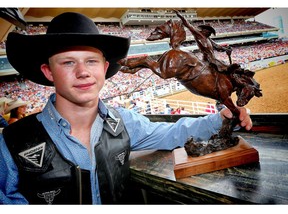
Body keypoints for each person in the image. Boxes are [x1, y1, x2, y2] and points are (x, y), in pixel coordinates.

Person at [0, 12, 252, 205]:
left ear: (104, 67)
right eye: (68, 62)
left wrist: (222, 118)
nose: (83, 72)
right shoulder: (10, 144)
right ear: (48, 72)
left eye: (91, 61)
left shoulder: (124, 123)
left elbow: (171, 133)